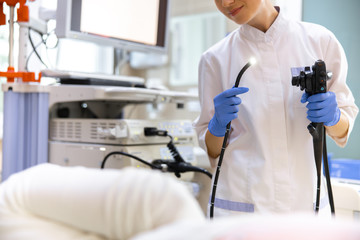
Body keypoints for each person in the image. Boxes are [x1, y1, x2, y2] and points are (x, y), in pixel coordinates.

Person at [193, 0, 359, 217]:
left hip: (305, 207)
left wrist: (333, 117)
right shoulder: (214, 59)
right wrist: (217, 127)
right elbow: (212, 150)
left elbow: (343, 127)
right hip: (241, 210)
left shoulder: (319, 41)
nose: (226, 3)